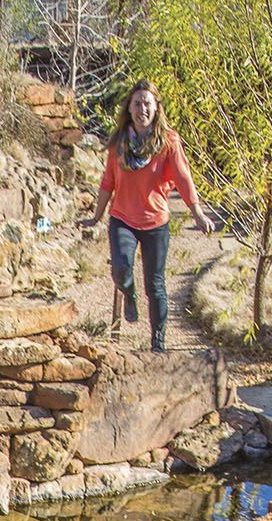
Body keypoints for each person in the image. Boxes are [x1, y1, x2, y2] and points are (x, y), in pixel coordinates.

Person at [79, 80, 213, 353]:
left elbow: (183, 178)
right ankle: (129, 294)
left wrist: (197, 212)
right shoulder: (118, 143)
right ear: (129, 107)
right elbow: (107, 182)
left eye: (147, 104)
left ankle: (158, 342)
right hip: (122, 218)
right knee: (121, 268)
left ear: (156, 108)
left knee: (156, 285)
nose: (142, 109)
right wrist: (96, 217)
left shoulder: (168, 141)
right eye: (137, 103)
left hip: (155, 222)